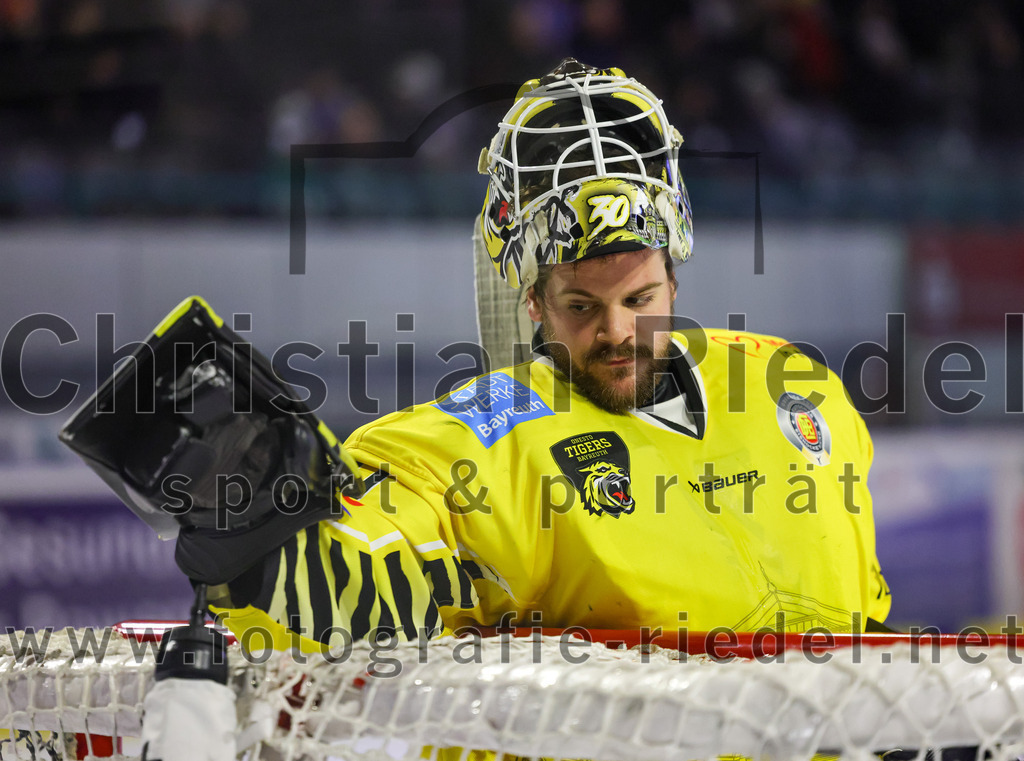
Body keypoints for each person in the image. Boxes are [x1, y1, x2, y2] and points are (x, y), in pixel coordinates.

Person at [62, 60, 891, 653]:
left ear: (674, 274)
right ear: (532, 303)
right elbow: (360, 581)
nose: (615, 331)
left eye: (639, 299)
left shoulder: (796, 385)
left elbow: (869, 612)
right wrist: (255, 530)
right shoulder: (485, 435)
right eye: (579, 305)